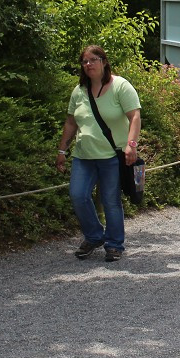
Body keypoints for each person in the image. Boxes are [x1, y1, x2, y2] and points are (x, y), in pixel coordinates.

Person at [56, 45, 141, 262]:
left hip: (111, 156)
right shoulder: (79, 91)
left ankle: (114, 244)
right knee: (78, 195)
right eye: (85, 61)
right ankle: (94, 236)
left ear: (104, 61)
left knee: (111, 200)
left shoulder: (120, 86)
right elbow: (71, 122)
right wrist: (62, 149)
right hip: (83, 156)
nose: (89, 64)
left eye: (93, 60)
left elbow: (135, 116)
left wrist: (131, 145)